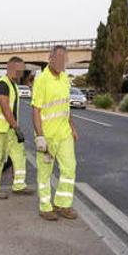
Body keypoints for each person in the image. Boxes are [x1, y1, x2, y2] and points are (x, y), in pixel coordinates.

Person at [31, 45, 79, 221]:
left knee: (69, 168)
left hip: (64, 133)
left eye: (64, 59)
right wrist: (40, 136)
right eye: (57, 58)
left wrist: (72, 127)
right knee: (44, 173)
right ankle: (45, 207)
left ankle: (62, 204)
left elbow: (66, 106)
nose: (61, 62)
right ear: (50, 58)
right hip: (48, 136)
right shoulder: (42, 79)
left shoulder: (65, 78)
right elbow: (36, 110)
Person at [0, 56, 33, 199]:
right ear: (11, 68)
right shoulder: (2, 84)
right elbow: (5, 107)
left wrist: (14, 127)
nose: (21, 73)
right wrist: (15, 126)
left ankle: (19, 185)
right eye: (19, 70)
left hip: (10, 129)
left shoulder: (13, 84)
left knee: (19, 155)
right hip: (0, 128)